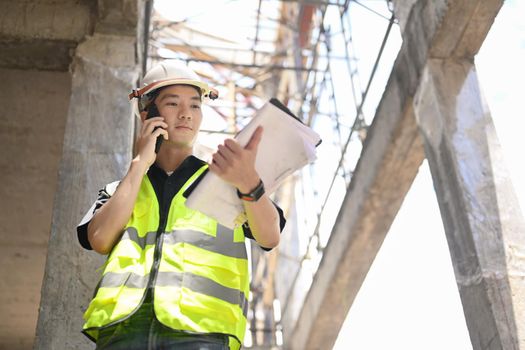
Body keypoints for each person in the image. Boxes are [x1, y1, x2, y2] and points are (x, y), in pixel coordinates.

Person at [77, 60, 286, 350]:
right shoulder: (119, 190)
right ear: (146, 112)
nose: (186, 114)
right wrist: (139, 165)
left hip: (201, 333)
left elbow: (270, 236)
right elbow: (99, 239)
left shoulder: (226, 181)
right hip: (123, 332)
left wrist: (250, 184)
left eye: (195, 106)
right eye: (173, 104)